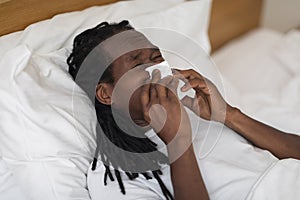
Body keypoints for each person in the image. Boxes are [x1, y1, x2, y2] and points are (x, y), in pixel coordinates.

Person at [67, 20, 300, 200]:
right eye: (138, 64)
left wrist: (229, 115)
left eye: (157, 57)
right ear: (107, 94)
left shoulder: (197, 113)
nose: (156, 69)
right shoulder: (116, 176)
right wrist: (178, 142)